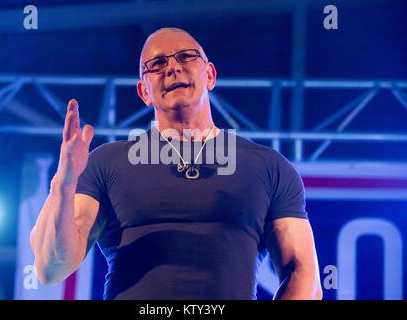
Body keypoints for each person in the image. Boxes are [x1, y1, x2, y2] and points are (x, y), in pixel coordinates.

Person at [30, 27, 322, 300]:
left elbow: (303, 272)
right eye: (156, 64)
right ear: (145, 92)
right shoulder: (106, 162)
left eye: (185, 56)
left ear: (209, 74)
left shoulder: (268, 167)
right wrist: (64, 183)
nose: (172, 68)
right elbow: (50, 268)